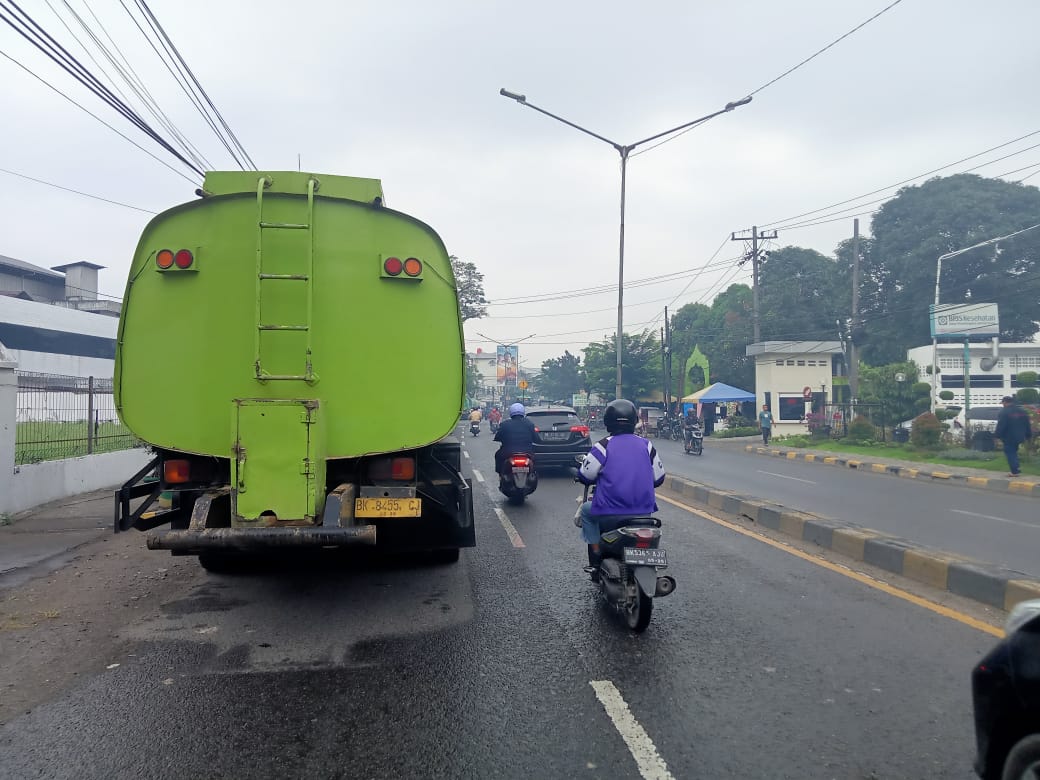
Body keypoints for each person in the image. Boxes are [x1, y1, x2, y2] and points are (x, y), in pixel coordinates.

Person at [576, 399, 666, 572]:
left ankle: (595, 558)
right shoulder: (647, 445)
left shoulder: (603, 446)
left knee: (586, 511)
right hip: (644, 514)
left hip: (609, 514)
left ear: (608, 421)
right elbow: (659, 479)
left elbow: (586, 475)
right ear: (634, 421)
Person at [494, 402, 537, 475]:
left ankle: (501, 475)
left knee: (497, 455)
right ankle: (533, 473)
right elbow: (536, 438)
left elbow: (497, 437)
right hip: (527, 452)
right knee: (535, 461)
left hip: (507, 452)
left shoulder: (505, 424)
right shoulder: (530, 424)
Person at [994, 395, 1033, 477]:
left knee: (1010, 452)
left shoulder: (1004, 412)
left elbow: (1001, 425)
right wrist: (1028, 435)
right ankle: (1016, 468)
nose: (1002, 405)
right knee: (1013, 451)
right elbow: (1027, 424)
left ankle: (1015, 471)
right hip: (1020, 436)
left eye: (1003, 403)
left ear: (1005, 402)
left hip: (1009, 436)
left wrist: (997, 436)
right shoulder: (1022, 411)